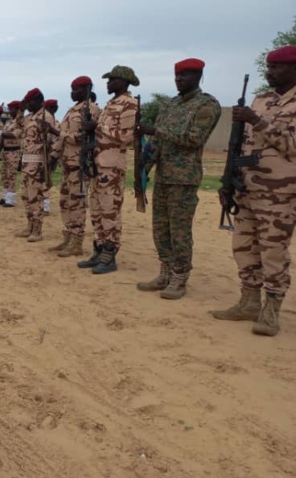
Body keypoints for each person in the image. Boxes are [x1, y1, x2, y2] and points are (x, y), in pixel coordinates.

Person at [211, 45, 296, 335]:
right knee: (244, 247)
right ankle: (248, 302)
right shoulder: (261, 100)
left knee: (273, 251)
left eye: (276, 67)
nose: (269, 71)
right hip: (247, 188)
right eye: (269, 67)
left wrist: (256, 121)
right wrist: (229, 181)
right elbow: (241, 145)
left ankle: (271, 310)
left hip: (279, 193)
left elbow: (291, 145)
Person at [135, 59, 221, 299]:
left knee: (180, 231)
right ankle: (165, 272)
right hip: (163, 177)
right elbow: (156, 143)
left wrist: (156, 131)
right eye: (176, 76)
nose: (179, 80)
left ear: (198, 76)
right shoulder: (171, 105)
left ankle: (180, 277)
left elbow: (195, 139)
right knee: (160, 229)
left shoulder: (207, 104)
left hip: (184, 179)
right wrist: (144, 168)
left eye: (185, 76)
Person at [77, 65, 139, 274]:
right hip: (98, 163)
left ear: (123, 81)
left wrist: (98, 126)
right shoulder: (110, 103)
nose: (108, 83)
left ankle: (110, 254)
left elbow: (125, 136)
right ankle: (99, 249)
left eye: (112, 80)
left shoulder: (129, 104)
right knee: (96, 209)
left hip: (112, 166)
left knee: (109, 211)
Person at [48, 77, 100, 256]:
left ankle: (77, 242)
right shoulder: (71, 111)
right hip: (67, 165)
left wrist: (56, 132)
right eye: (71, 89)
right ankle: (68, 237)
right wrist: (53, 157)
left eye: (76, 89)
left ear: (87, 88)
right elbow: (62, 139)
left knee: (77, 203)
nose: (72, 92)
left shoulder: (91, 110)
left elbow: (81, 138)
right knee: (65, 202)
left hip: (80, 165)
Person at [16, 88, 57, 241]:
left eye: (30, 102)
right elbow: (18, 125)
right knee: (26, 196)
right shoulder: (29, 117)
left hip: (39, 162)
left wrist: (49, 163)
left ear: (39, 101)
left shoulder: (46, 116)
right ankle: (29, 226)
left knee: (36, 197)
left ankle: (37, 231)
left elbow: (52, 140)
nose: (28, 105)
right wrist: (20, 111)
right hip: (27, 161)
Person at [0, 101, 23, 208]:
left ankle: (10, 200)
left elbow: (15, 135)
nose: (10, 111)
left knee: (11, 175)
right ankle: (5, 197)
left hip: (14, 151)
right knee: (5, 175)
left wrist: (1, 133)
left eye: (12, 109)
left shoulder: (20, 122)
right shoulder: (9, 122)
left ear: (17, 110)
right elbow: (3, 137)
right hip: (6, 151)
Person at [42, 99, 60, 214]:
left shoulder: (56, 124)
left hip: (50, 155)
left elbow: (56, 141)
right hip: (44, 155)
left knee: (46, 180)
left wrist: (53, 157)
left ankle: (46, 207)